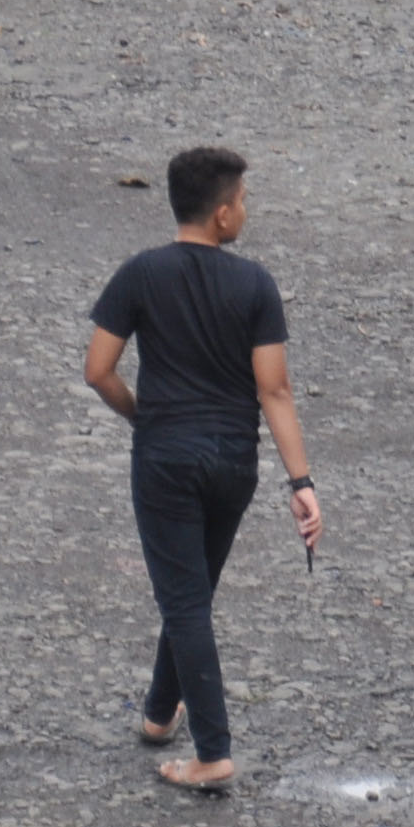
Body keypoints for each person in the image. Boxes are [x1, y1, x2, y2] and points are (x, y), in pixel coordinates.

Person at [83, 145, 321, 792]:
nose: (245, 211)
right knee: (190, 591)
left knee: (184, 597)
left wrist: (141, 416)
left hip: (166, 458)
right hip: (233, 463)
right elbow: (275, 391)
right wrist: (301, 484)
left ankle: (213, 752)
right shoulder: (255, 285)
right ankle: (161, 714)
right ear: (221, 216)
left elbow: (97, 370)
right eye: (242, 201)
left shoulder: (139, 275)